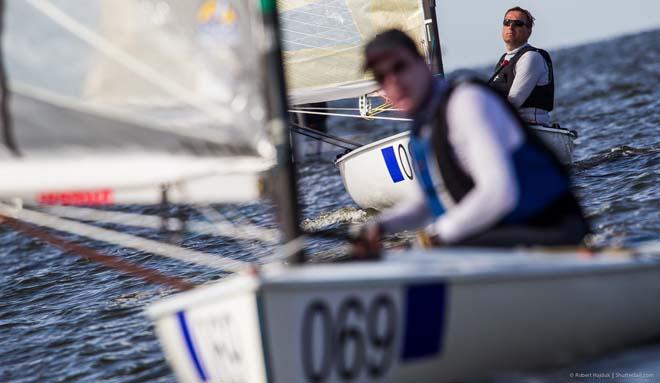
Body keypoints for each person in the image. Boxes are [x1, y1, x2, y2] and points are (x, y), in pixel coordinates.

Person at [355, 29, 588, 254]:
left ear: (423, 64)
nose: (393, 81)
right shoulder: (421, 130)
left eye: (400, 67)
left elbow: (499, 193)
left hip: (554, 234)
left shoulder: (466, 102)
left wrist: (436, 236)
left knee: (422, 255)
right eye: (381, 77)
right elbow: (424, 204)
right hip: (500, 241)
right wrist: (378, 227)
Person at [489, 7, 554, 126]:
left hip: (533, 128)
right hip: (510, 124)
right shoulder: (504, 59)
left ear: (529, 31)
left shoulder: (531, 58)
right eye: (506, 22)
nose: (510, 27)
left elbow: (512, 102)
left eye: (517, 24)